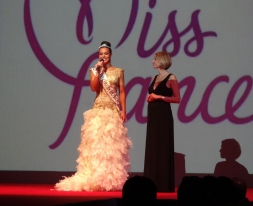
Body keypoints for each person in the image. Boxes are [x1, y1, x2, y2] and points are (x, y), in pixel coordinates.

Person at [55, 41, 132, 191]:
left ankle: (110, 179)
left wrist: (124, 110)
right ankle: (96, 177)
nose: (103, 56)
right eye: (101, 54)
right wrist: (98, 71)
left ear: (111, 55)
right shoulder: (94, 70)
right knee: (97, 145)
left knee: (111, 147)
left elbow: (121, 92)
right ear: (99, 55)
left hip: (112, 111)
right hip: (98, 110)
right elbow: (93, 87)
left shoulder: (119, 71)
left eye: (106, 53)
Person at [144, 51, 180, 192]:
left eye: (155, 59)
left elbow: (177, 99)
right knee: (153, 147)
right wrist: (151, 98)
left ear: (161, 61)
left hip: (164, 117)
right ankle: (151, 182)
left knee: (163, 147)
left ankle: (164, 184)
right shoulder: (155, 77)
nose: (153, 61)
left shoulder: (171, 77)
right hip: (153, 117)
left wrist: (160, 97)